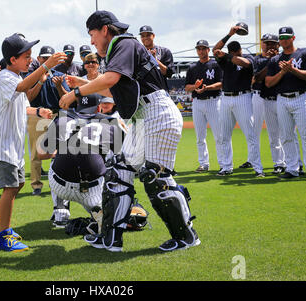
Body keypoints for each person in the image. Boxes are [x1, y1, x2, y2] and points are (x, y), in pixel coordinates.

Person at [59, 10, 200, 253]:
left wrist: (76, 93)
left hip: (158, 113)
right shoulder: (119, 47)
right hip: (144, 117)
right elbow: (116, 91)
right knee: (118, 171)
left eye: (92, 34)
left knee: (155, 177)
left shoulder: (123, 42)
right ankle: (111, 238)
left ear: (104, 29)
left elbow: (111, 79)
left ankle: (186, 236)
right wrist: (82, 84)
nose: (91, 41)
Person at [0, 33, 66, 252]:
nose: (30, 59)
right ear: (12, 59)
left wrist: (38, 110)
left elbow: (23, 103)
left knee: (18, 183)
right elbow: (21, 90)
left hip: (11, 145)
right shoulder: (5, 77)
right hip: (2, 145)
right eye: (26, 56)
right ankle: (3, 236)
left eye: (31, 56)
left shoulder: (16, 78)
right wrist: (46, 66)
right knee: (10, 186)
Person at [38, 94, 126, 234]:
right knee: (111, 159)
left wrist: (61, 150)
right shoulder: (110, 122)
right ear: (99, 107)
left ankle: (61, 211)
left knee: (55, 157)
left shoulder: (62, 118)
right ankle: (99, 210)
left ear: (77, 105)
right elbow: (123, 157)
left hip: (60, 185)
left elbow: (41, 154)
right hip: (92, 190)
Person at [213, 25, 264, 177]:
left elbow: (244, 63)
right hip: (226, 98)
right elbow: (215, 50)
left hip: (243, 97)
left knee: (250, 134)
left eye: (235, 51)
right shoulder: (226, 61)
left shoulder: (248, 58)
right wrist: (229, 34)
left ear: (240, 50)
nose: (234, 53)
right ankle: (226, 167)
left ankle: (257, 168)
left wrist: (228, 56)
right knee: (223, 136)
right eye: (232, 51)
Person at [265, 27, 306, 182]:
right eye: (282, 38)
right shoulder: (275, 60)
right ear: (279, 41)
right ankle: (292, 168)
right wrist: (282, 72)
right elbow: (268, 83)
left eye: (287, 37)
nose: (284, 40)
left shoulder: (305, 54)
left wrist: (292, 69)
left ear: (293, 38)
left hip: (301, 97)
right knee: (286, 135)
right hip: (282, 98)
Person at [25, 45, 70, 196]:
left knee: (58, 152)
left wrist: (58, 85)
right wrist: (40, 81)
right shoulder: (32, 75)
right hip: (37, 115)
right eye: (44, 57)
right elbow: (29, 98)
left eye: (49, 58)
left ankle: (56, 183)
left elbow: (66, 98)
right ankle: (36, 186)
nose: (46, 60)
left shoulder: (59, 75)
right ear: (38, 59)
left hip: (57, 116)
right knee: (36, 153)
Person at [251, 34, 288, 174]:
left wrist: (275, 59)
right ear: (262, 44)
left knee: (284, 133)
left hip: (279, 97)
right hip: (259, 97)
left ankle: (285, 163)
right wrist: (270, 61)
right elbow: (257, 79)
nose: (270, 46)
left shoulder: (283, 58)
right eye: (267, 43)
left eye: (273, 43)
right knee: (256, 132)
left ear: (278, 45)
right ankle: (255, 163)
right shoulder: (257, 59)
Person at [184, 40, 223, 173]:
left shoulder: (215, 64)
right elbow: (187, 87)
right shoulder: (192, 67)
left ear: (208, 49)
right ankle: (203, 164)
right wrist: (195, 87)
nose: (201, 51)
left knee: (219, 136)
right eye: (199, 49)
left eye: (203, 48)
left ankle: (223, 164)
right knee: (200, 137)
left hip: (213, 101)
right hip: (198, 103)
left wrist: (206, 88)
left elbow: (221, 83)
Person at [139, 25, 175, 91]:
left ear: (153, 36)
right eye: (143, 36)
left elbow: (169, 73)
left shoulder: (164, 51)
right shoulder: (138, 54)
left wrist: (155, 60)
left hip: (160, 92)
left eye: (148, 35)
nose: (145, 38)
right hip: (143, 93)